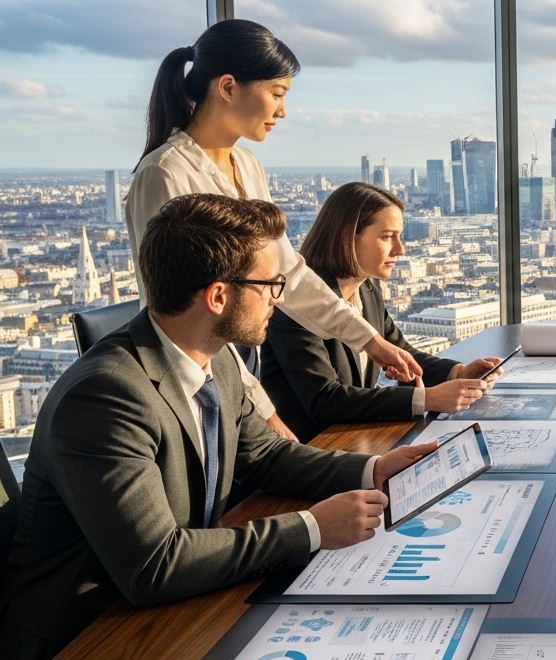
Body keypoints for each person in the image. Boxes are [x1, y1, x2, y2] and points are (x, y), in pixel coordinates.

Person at [0, 195, 438, 660]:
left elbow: (265, 455)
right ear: (217, 297)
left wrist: (373, 469)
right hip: (84, 647)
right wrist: (312, 527)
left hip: (174, 607)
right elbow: (155, 565)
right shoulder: (105, 397)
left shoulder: (217, 355)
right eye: (271, 284)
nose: (278, 297)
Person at [125, 19, 422, 441]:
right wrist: (262, 411)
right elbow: (183, 317)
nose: (282, 111)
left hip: (243, 376)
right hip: (197, 386)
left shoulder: (247, 166)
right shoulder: (164, 174)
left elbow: (288, 275)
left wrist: (369, 341)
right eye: (277, 94)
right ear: (227, 87)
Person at [261, 183, 504, 442]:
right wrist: (427, 399)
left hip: (355, 440)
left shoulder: (367, 287)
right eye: (387, 236)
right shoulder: (298, 303)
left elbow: (401, 352)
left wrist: (458, 373)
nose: (400, 249)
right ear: (347, 236)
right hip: (311, 451)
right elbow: (325, 401)